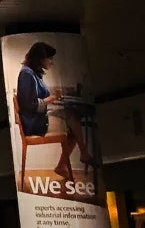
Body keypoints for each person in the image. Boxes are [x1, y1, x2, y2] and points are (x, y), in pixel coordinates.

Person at [15, 42, 92, 180]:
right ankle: (82, 155)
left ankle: (66, 163)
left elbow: (40, 98)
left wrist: (54, 98)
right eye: (50, 58)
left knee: (74, 123)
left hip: (37, 118)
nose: (52, 62)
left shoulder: (33, 74)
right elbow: (28, 105)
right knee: (73, 119)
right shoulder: (27, 74)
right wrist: (51, 99)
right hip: (33, 124)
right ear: (40, 58)